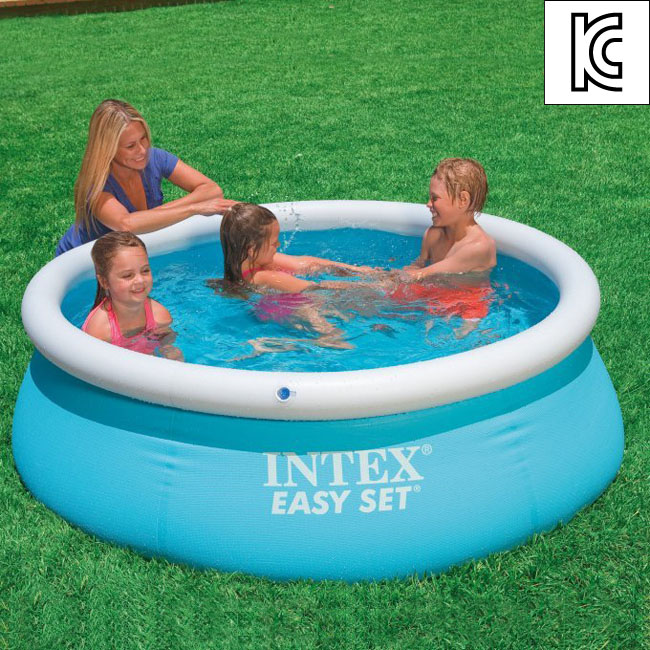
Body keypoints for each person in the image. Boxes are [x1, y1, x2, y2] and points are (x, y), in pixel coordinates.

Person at [56, 99, 237, 255]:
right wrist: (193, 208)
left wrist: (150, 217)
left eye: (143, 138)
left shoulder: (155, 158)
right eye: (130, 146)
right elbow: (127, 225)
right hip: (82, 258)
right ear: (108, 150)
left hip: (128, 253)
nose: (142, 150)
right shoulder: (97, 186)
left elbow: (212, 191)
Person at [216, 202, 378, 354]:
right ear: (252, 250)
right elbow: (315, 288)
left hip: (269, 307)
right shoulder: (266, 277)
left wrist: (357, 271)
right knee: (336, 334)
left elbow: (306, 263)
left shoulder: (246, 264)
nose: (278, 245)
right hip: (287, 310)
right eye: (274, 243)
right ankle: (281, 343)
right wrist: (366, 286)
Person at [394, 158, 497, 336]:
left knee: (459, 339)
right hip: (435, 293)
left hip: (468, 306)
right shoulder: (433, 234)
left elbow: (422, 274)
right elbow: (418, 267)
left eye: (435, 198)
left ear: (463, 200)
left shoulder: (480, 246)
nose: (428, 204)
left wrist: (367, 275)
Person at [82, 231, 182, 359]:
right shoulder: (99, 331)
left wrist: (169, 350)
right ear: (104, 282)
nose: (140, 280)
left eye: (145, 270)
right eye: (128, 275)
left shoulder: (159, 316)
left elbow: (167, 340)